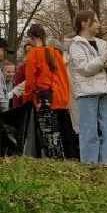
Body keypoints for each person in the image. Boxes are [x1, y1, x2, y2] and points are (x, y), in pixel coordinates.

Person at [67, 10, 107, 165]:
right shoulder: (76, 45)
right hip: (87, 92)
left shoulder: (102, 43)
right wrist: (103, 59)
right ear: (84, 23)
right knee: (89, 130)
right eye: (95, 21)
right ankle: (90, 163)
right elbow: (85, 69)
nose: (98, 25)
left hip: (105, 90)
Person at [19, 24, 75, 158]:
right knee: (63, 131)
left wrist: (26, 98)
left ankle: (54, 159)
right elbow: (63, 77)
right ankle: (67, 157)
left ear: (31, 38)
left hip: (45, 99)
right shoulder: (55, 52)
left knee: (49, 133)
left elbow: (31, 81)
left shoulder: (33, 54)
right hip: (60, 97)